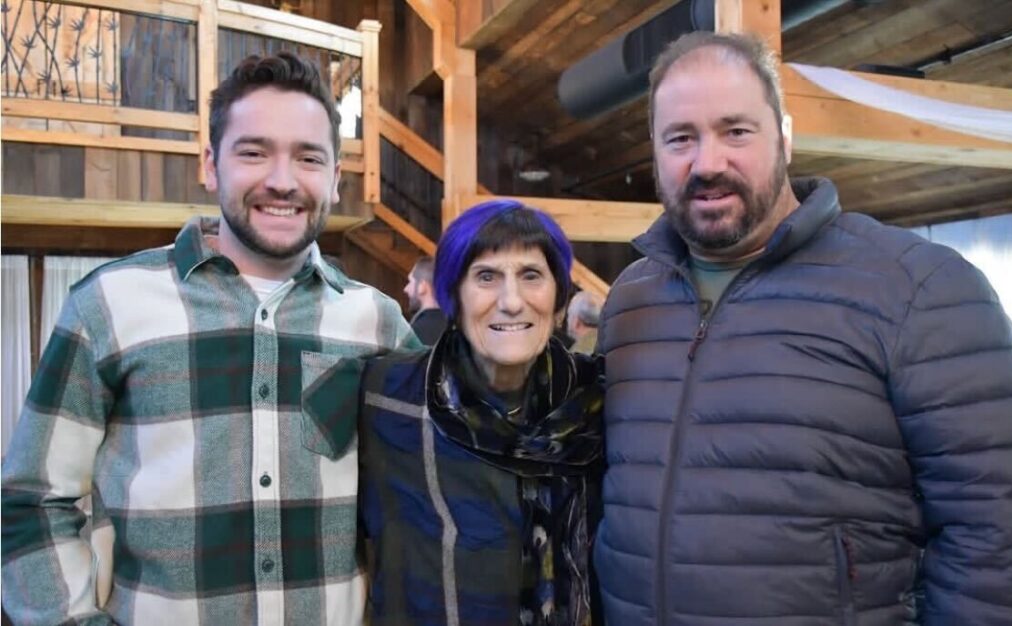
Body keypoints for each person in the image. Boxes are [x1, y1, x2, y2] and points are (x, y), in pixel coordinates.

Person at [594, 31, 1012, 626]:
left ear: (786, 138)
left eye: (735, 131)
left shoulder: (919, 288)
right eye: (681, 138)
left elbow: (1000, 531)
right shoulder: (631, 302)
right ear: (655, 153)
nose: (708, 162)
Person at [1, 52, 414, 625]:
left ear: (336, 180)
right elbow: (30, 499)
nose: (282, 180)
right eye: (254, 152)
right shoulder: (108, 306)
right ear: (211, 166)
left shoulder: (380, 323)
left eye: (308, 158)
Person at [358, 199, 605, 626]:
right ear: (454, 295)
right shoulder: (387, 396)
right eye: (486, 277)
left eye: (531, 275)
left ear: (559, 295)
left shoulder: (597, 401)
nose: (511, 301)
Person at [403, 255, 447, 345]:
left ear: (422, 287)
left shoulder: (415, 335)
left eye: (410, 281)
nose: (406, 289)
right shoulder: (460, 329)